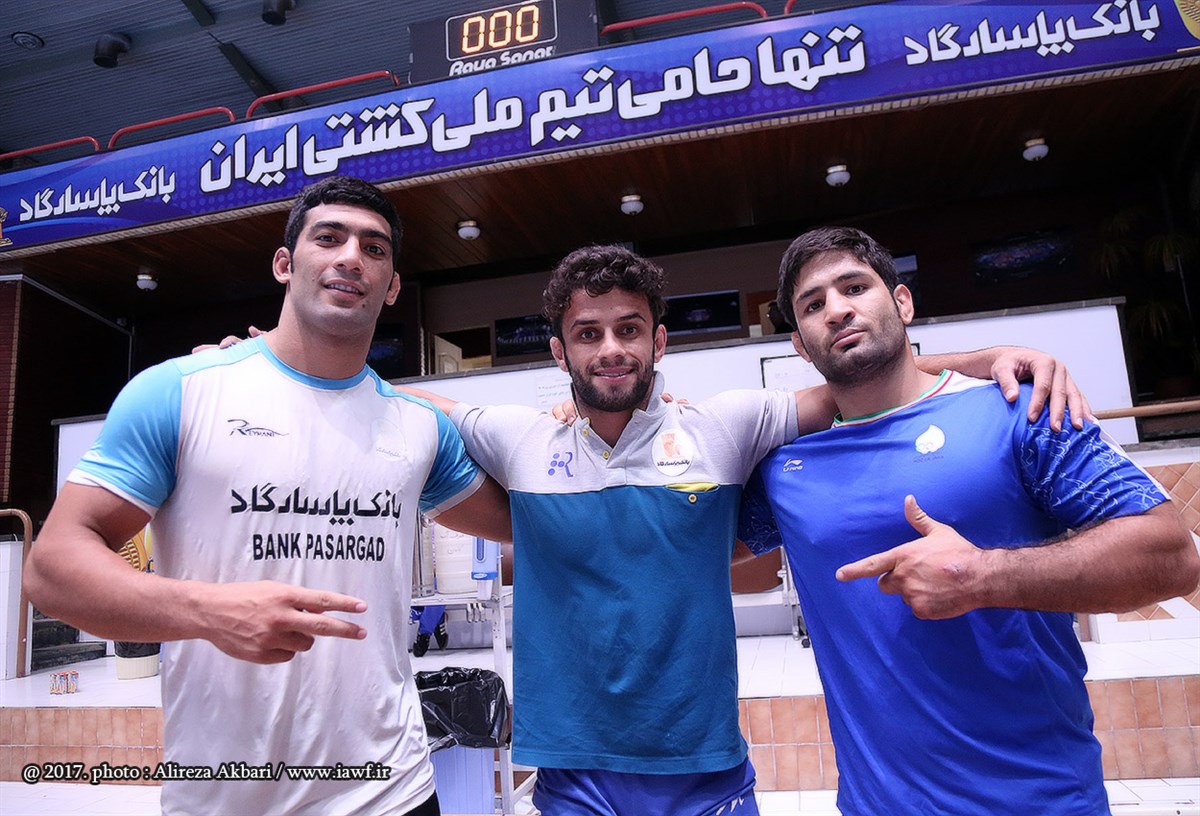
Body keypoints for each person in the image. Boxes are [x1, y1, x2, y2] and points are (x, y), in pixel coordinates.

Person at [402, 243, 1086, 816]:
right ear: (559, 352)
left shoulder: (725, 424)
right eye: (588, 334)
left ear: (658, 340)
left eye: (629, 329)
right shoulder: (518, 437)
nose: (611, 349)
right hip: (574, 778)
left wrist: (987, 357)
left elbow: (860, 381)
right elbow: (405, 404)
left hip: (705, 773)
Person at [23, 176, 511, 816]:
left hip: (394, 792)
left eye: (373, 248)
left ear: (391, 285)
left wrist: (591, 422)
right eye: (328, 238)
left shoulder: (418, 427)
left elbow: (529, 520)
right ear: (285, 263)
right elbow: (52, 569)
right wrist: (206, 610)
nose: (350, 258)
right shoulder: (180, 392)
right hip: (225, 798)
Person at [737, 226, 1199, 816]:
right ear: (800, 345)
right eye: (812, 305)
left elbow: (1173, 555)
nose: (837, 310)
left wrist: (984, 575)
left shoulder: (1020, 409)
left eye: (854, 287)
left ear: (902, 303)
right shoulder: (788, 469)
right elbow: (696, 549)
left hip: (1041, 802)